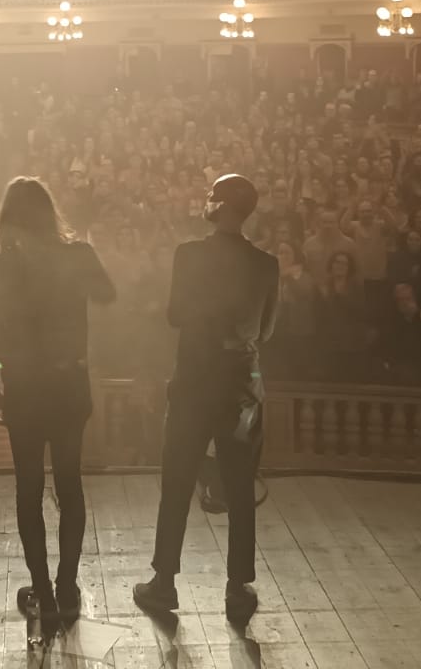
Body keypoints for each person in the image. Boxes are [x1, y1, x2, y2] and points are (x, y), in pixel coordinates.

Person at [135, 174, 278, 625]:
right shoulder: (267, 264)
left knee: (177, 482)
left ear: (216, 206)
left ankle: (164, 583)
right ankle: (238, 589)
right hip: (241, 386)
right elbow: (267, 330)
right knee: (238, 487)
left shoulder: (189, 254)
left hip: (195, 379)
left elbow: (175, 314)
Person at [0, 177, 115, 624]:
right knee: (69, 484)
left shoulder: (0, 268)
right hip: (68, 384)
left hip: (24, 387)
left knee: (28, 488)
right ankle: (67, 584)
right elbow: (108, 294)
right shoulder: (76, 255)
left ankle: (41, 589)